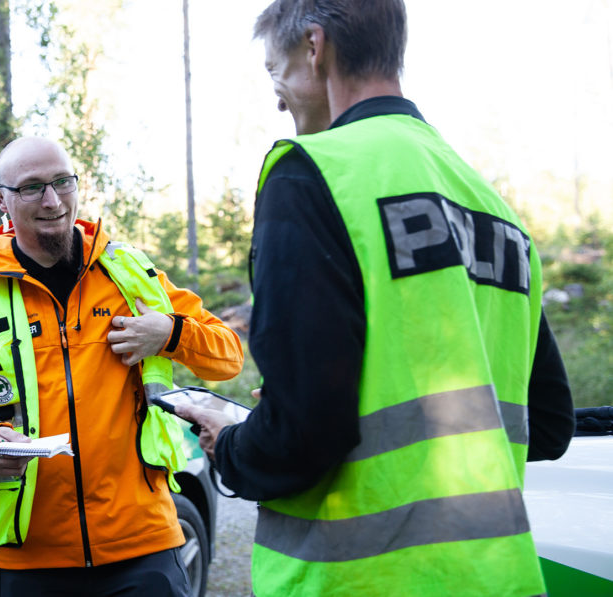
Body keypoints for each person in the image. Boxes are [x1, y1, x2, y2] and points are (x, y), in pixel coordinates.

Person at [176, 1, 576, 595]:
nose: (279, 99)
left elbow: (303, 434)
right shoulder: (490, 204)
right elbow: (546, 425)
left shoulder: (312, 174)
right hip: (500, 579)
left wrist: (232, 442)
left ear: (315, 48)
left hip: (359, 581)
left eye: (275, 72)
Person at [0, 136, 243, 596]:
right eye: (31, 188)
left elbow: (228, 355)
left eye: (62, 182)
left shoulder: (130, 276)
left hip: (142, 545)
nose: (52, 201)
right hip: (30, 557)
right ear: (1, 199)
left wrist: (169, 333)